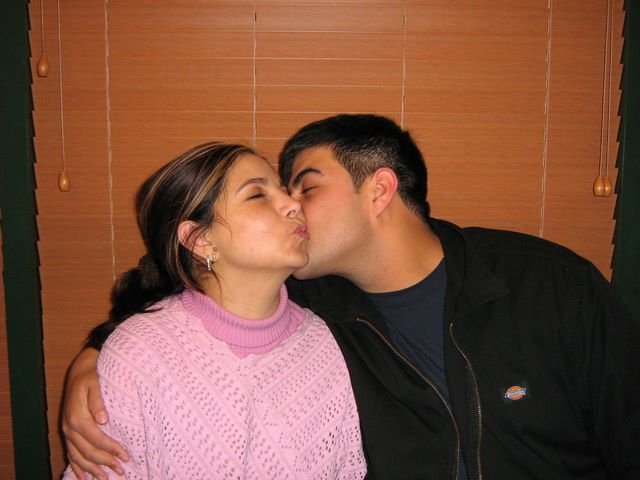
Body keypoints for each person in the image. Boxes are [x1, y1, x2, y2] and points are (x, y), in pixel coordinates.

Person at [63, 115, 640, 479]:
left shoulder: (549, 287)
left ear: (380, 190)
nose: (291, 206)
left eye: (305, 187)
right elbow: (192, 293)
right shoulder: (317, 306)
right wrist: (95, 357)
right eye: (272, 193)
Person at [60, 142, 367, 479]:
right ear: (199, 239)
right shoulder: (139, 356)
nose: (294, 203)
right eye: (257, 195)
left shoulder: (327, 346)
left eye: (283, 190)